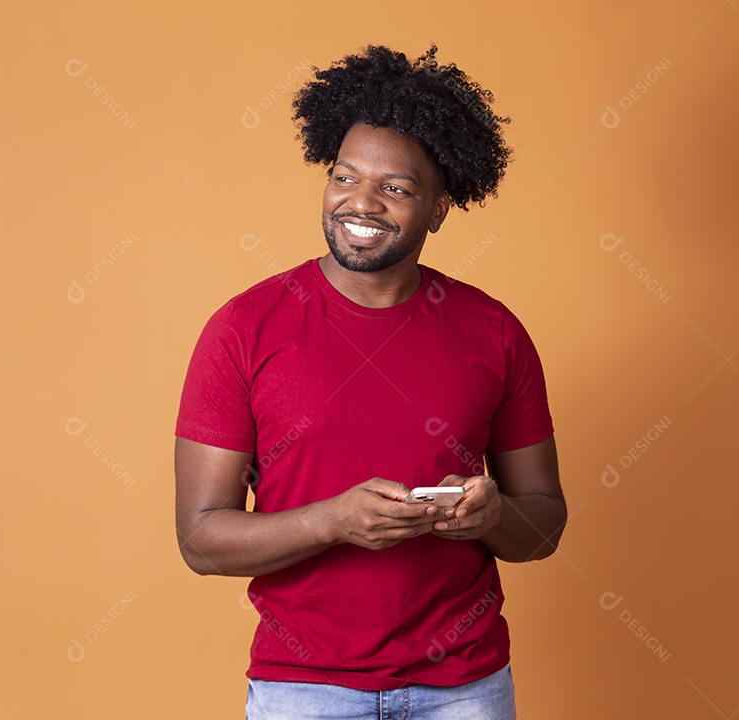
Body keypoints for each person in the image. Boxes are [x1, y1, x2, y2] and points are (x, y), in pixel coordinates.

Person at [174, 44, 567, 720]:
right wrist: (330, 522)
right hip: (304, 690)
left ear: (439, 209)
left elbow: (545, 524)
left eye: (397, 188)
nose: (361, 202)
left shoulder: (494, 332)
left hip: (465, 689)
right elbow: (200, 539)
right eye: (344, 177)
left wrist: (493, 516)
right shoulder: (244, 328)